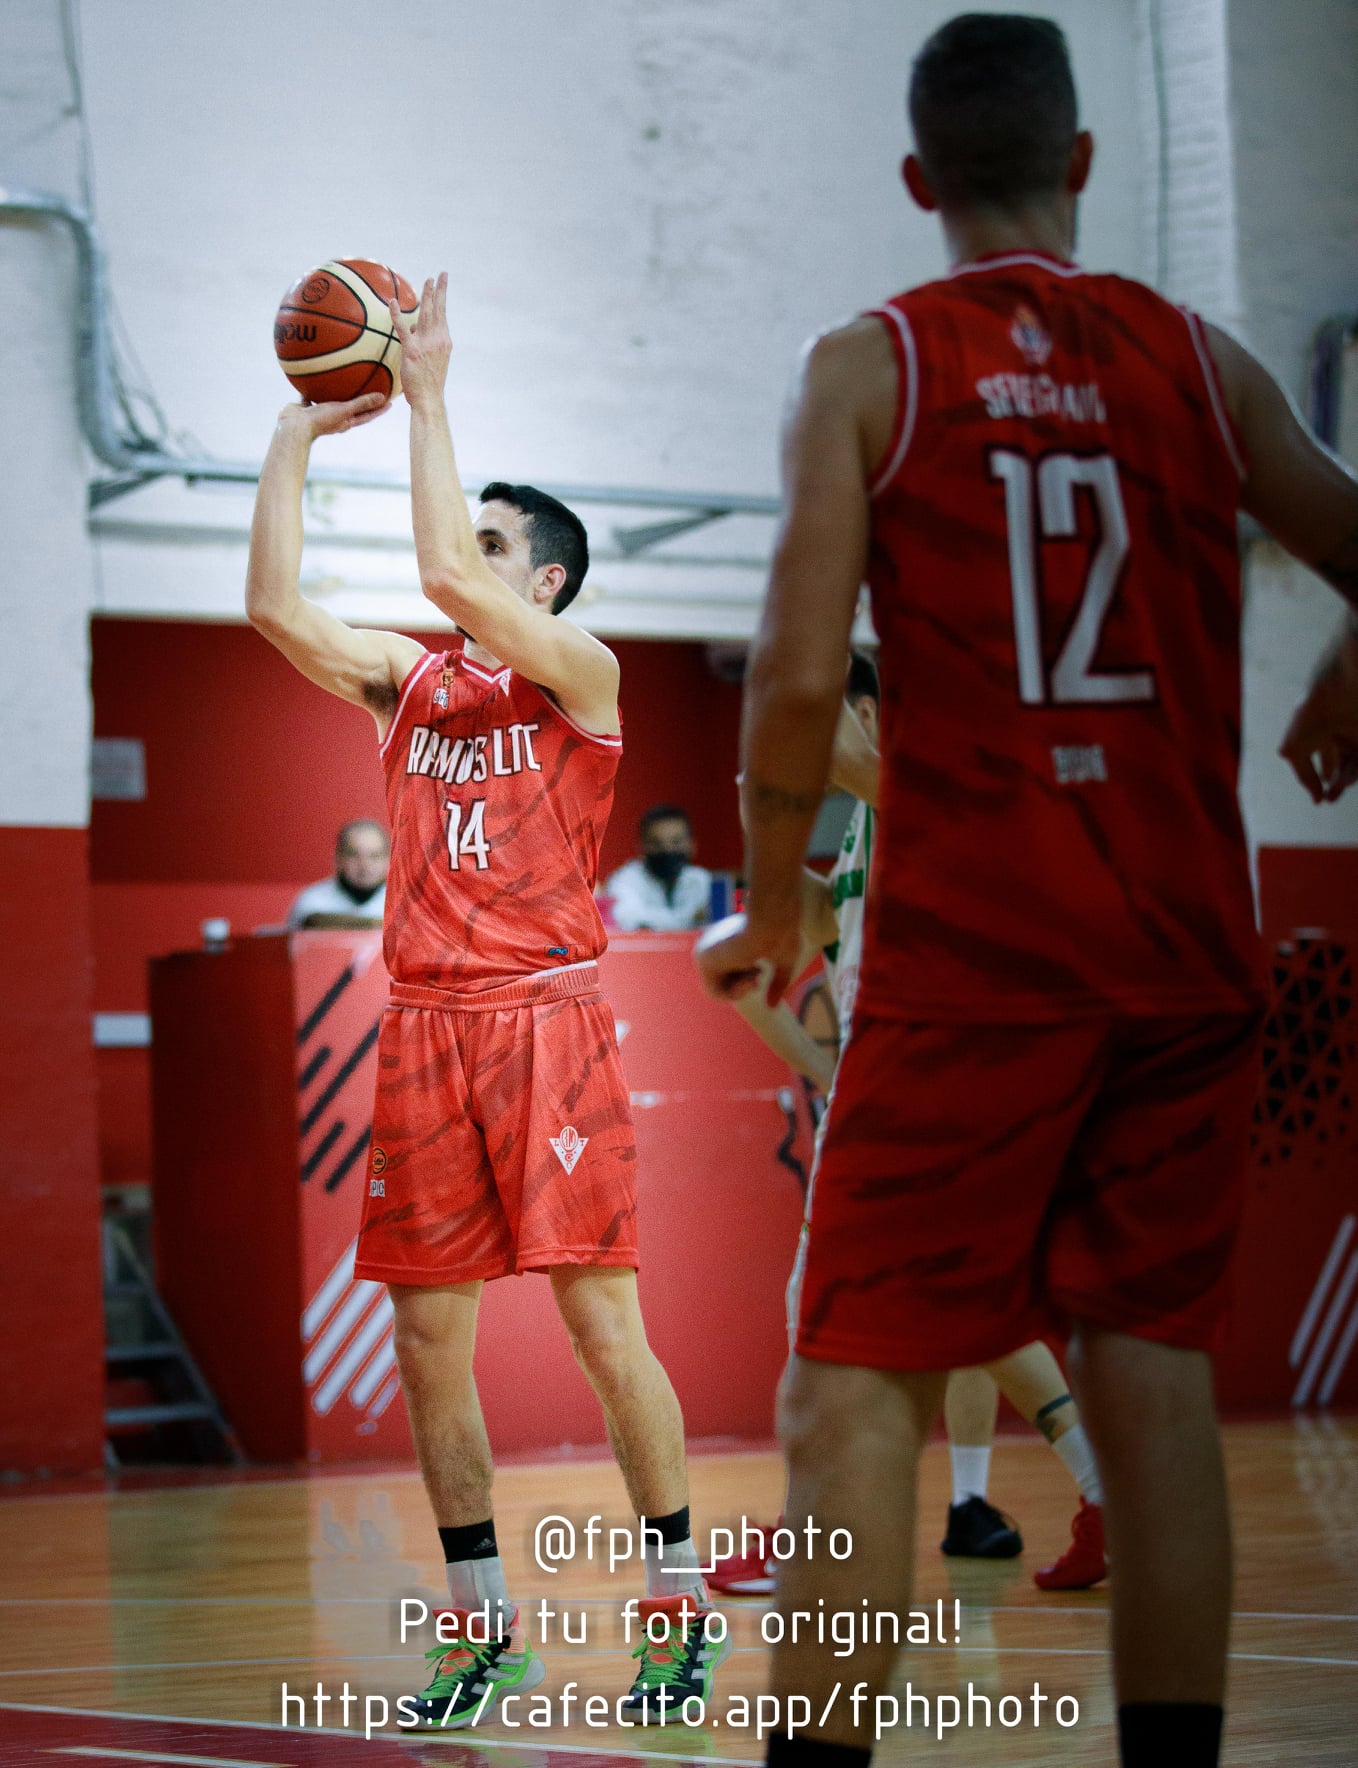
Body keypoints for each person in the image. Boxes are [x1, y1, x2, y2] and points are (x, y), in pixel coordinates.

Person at [696, 13, 1358, 1768]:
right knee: (1151, 1384)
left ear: (917, 178)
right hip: (1181, 945)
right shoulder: (1199, 361)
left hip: (975, 957)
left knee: (852, 1389)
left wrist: (773, 897)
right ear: (1079, 161)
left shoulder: (870, 364)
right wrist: (1345, 672)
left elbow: (793, 674)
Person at [246, 272, 727, 1729]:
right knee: (423, 1344)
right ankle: (480, 1630)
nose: (467, 555)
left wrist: (428, 391)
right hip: (425, 1031)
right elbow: (271, 607)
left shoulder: (583, 679)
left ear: (548, 586)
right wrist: (293, 435)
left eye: (499, 541)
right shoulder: (408, 686)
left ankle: (676, 1610)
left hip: (547, 1025)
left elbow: (450, 575)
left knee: (602, 1330)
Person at [711, 654, 1105, 1597]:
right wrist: (764, 846)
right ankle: (1108, 1490)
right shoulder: (864, 825)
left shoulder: (921, 785)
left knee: (821, 1308)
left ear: (861, 710)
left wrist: (787, 759)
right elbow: (814, 923)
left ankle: (810, 1532)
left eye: (802, 718)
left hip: (928, 1079)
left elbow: (852, 759)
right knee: (966, 1314)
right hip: (889, 1080)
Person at [604, 805, 712, 930]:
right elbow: (628, 919)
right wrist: (689, 918)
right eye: (656, 843)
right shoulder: (624, 880)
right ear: (641, 847)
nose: (667, 850)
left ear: (692, 845)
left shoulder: (702, 880)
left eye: (676, 842)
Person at [286, 818, 389, 929]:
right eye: (354, 855)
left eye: (375, 856)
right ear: (338, 857)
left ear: (388, 859)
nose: (365, 865)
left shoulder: (399, 904)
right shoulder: (312, 898)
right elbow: (311, 921)